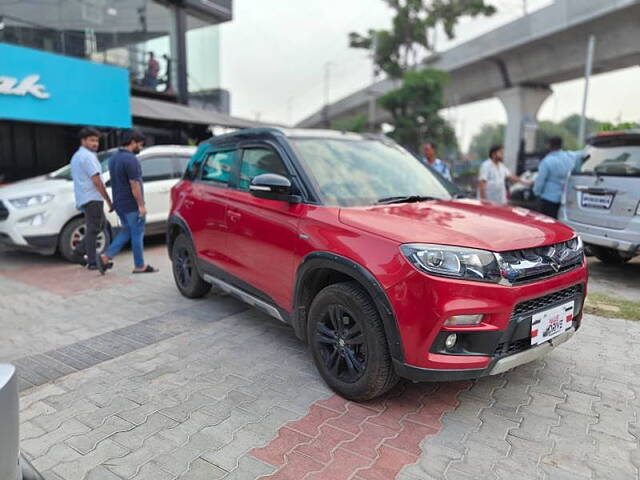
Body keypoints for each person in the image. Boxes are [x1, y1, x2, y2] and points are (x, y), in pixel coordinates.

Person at [98, 130, 158, 274]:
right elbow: (134, 184)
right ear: (133, 142)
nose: (141, 148)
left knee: (127, 231)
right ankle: (140, 265)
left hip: (119, 203)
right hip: (131, 204)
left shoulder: (113, 159)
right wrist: (141, 205)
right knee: (137, 233)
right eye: (140, 144)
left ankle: (106, 257)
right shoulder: (131, 160)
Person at [70, 127, 112, 270]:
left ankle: (84, 255)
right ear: (83, 141)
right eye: (92, 140)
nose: (95, 143)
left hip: (85, 196)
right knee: (94, 228)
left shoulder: (77, 156)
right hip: (92, 197)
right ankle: (90, 261)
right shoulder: (88, 157)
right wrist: (108, 199)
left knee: (98, 226)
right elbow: (96, 180)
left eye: (97, 140)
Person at [533, 136, 583, 219]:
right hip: (564, 198)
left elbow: (540, 181)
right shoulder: (569, 157)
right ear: (561, 145)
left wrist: (536, 192)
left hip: (548, 199)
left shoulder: (547, 161)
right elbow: (582, 153)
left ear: (549, 145)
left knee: (546, 223)